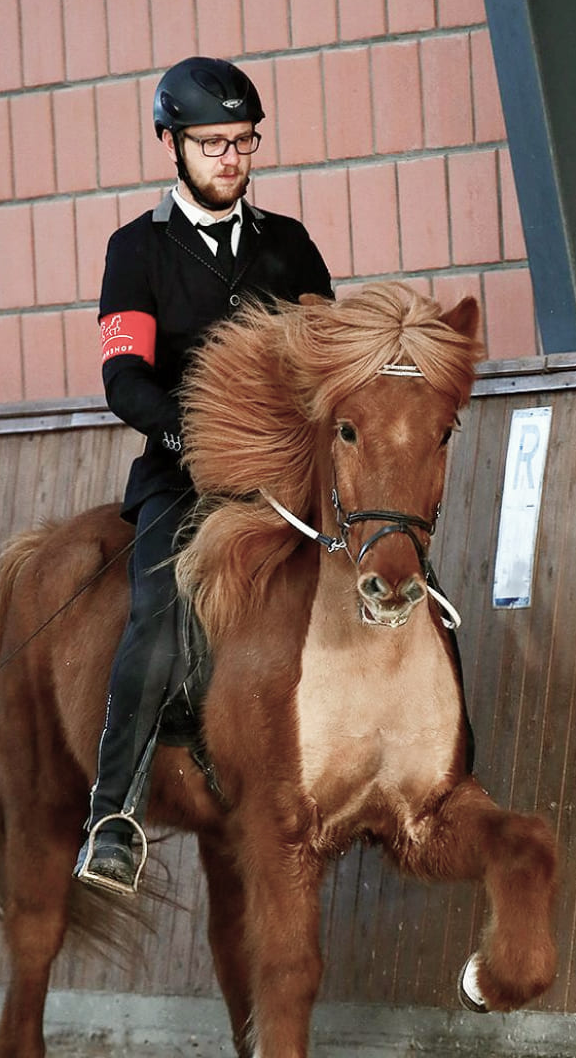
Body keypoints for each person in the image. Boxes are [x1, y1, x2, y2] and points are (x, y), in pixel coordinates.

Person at [74, 56, 333, 895]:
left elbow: (323, 351)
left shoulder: (290, 247)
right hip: (182, 474)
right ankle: (112, 815)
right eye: (213, 142)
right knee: (153, 616)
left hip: (285, 475)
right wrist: (191, 434)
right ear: (171, 145)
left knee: (393, 563)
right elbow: (124, 380)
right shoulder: (136, 251)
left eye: (244, 141)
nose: (232, 157)